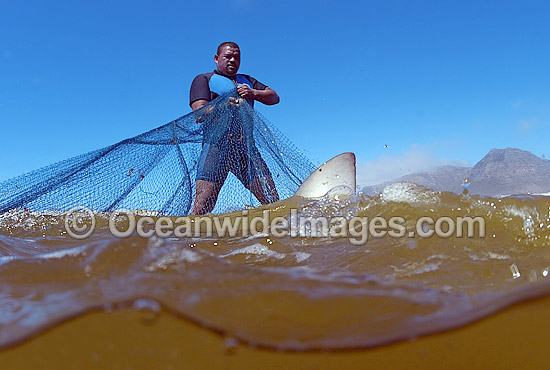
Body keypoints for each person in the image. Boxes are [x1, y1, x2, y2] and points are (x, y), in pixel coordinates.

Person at [189, 42, 280, 215]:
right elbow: (198, 113)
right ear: (216, 59)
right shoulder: (204, 79)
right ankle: (188, 240)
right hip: (216, 149)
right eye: (227, 56)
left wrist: (254, 93)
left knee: (272, 202)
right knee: (201, 208)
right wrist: (223, 105)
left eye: (236, 57)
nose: (232, 60)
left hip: (246, 149)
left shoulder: (248, 81)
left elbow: (274, 97)